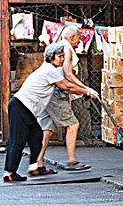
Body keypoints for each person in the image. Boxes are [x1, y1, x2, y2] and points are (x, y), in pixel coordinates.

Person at [3, 43, 99, 183]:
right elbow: (67, 86)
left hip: (27, 109)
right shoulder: (49, 70)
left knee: (37, 137)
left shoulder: (53, 69)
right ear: (50, 57)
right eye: (60, 57)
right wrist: (87, 91)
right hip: (21, 106)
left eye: (63, 56)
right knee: (17, 141)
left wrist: (84, 91)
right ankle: (10, 173)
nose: (62, 59)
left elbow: (68, 83)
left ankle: (35, 168)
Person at [36, 26, 96, 171]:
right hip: (56, 94)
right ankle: (71, 161)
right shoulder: (66, 49)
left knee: (47, 129)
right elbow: (68, 74)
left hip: (48, 94)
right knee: (73, 125)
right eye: (78, 39)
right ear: (72, 37)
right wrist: (86, 89)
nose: (79, 42)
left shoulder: (57, 46)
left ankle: (38, 162)